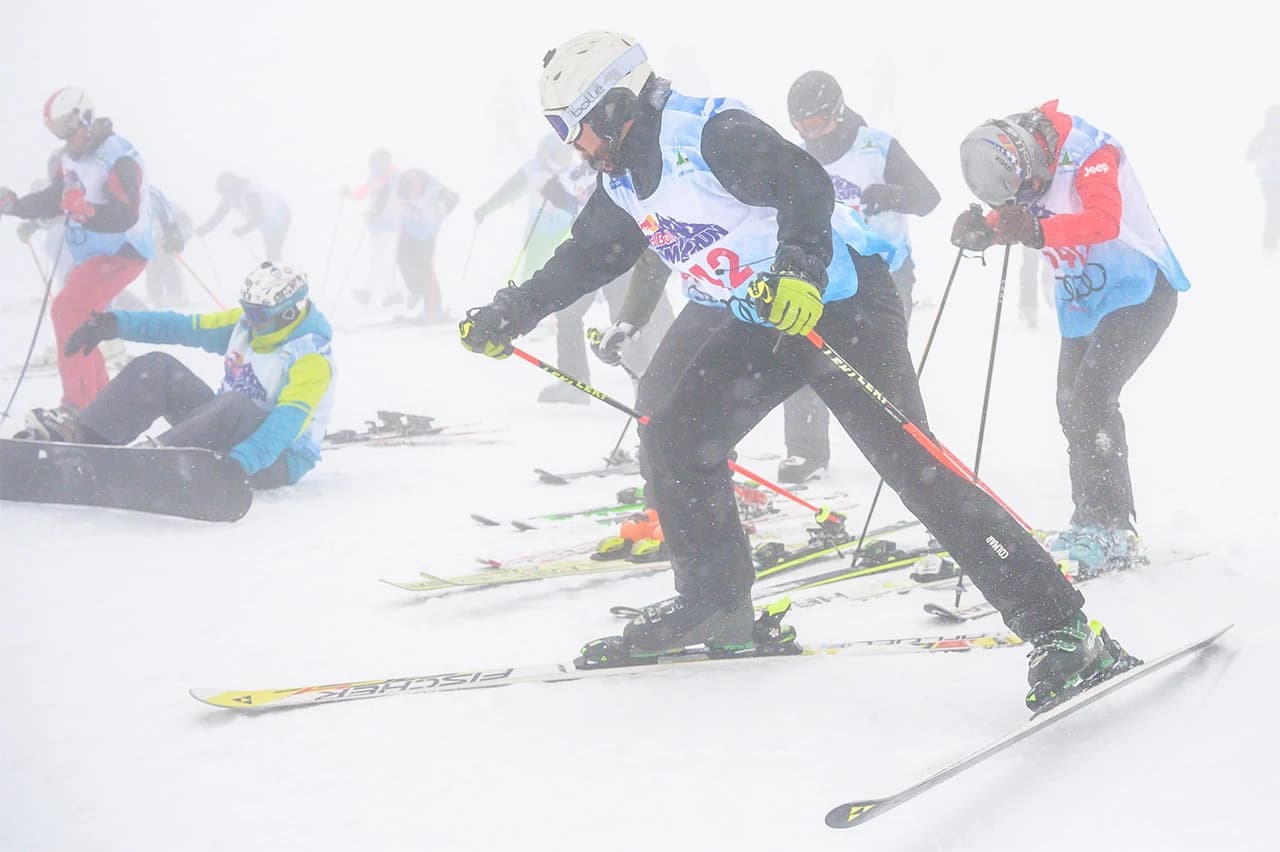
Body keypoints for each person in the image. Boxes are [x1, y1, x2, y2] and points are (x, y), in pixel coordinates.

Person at [460, 31, 1116, 709]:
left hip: (841, 301)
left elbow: (803, 182)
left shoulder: (708, 131)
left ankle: (1065, 628)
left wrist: (800, 268)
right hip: (762, 319)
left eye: (573, 129)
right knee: (677, 435)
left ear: (612, 107)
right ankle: (716, 605)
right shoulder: (624, 178)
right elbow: (588, 256)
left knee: (913, 464)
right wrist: (511, 311)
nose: (574, 146)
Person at [952, 100, 1190, 576]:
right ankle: (1090, 517)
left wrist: (1036, 231)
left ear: (1031, 157)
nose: (1030, 193)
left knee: (1092, 399)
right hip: (1086, 300)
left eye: (1029, 187)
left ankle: (1114, 528)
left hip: (1140, 292)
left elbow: (1105, 220)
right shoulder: (1020, 163)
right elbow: (1019, 214)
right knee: (1070, 403)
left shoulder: (1089, 151)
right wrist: (987, 231)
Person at [21, 262, 336, 489]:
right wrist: (114, 324)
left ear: (288, 314)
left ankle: (153, 462)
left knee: (234, 403)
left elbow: (282, 429)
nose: (249, 321)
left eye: (257, 314)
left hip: (275, 458)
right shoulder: (245, 325)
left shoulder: (309, 359)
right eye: (246, 309)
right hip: (228, 427)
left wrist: (236, 466)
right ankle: (88, 438)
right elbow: (182, 327)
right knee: (158, 368)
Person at [774, 70, 940, 483]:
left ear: (837, 112)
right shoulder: (798, 158)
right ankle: (805, 451)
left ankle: (911, 451)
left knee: (884, 363)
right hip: (827, 273)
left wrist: (893, 194)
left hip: (884, 270)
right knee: (805, 353)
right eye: (801, 126)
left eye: (816, 123)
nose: (810, 133)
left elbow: (929, 197)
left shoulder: (876, 146)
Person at [475, 135, 674, 401]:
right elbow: (582, 206)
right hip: (594, 251)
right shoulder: (578, 170)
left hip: (622, 253)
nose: (576, 153)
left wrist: (564, 198)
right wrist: (558, 196)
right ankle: (574, 383)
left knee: (625, 322)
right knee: (568, 312)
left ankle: (648, 390)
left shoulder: (619, 164)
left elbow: (614, 206)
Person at [0, 87, 154, 410]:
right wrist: (15, 206)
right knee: (82, 320)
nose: (64, 139)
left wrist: (87, 211)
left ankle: (80, 405)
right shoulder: (70, 158)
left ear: (84, 118)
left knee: (67, 311)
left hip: (122, 252)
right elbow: (54, 197)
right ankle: (102, 405)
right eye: (57, 132)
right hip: (94, 256)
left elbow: (126, 215)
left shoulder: (118, 157)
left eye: (66, 129)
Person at [395, 167, 458, 321]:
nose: (411, 198)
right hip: (409, 228)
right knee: (402, 259)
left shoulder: (435, 188)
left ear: (417, 185)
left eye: (412, 195)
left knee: (424, 266)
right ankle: (416, 290)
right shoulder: (403, 182)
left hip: (427, 232)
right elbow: (388, 196)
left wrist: (442, 208)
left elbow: (454, 197)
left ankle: (433, 307)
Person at [343, 149, 401, 307]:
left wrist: (377, 212)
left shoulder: (395, 176)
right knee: (380, 258)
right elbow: (365, 191)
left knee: (379, 257)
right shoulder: (374, 176)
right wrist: (350, 193)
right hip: (376, 224)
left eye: (377, 164)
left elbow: (393, 198)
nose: (375, 168)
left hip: (390, 222)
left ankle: (373, 292)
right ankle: (391, 293)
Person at [195, 172, 290, 262]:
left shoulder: (249, 194)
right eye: (223, 194)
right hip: (268, 219)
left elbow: (258, 217)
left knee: (273, 252)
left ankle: (284, 276)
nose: (224, 196)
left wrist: (243, 230)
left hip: (279, 215)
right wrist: (204, 229)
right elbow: (218, 216)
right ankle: (280, 274)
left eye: (225, 192)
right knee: (272, 253)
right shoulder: (230, 197)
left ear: (231, 188)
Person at [145, 186, 193, 307]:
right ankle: (156, 294)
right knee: (151, 259)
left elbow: (175, 218)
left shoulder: (152, 201)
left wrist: (169, 236)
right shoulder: (141, 202)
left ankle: (176, 295)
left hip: (177, 225)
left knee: (165, 259)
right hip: (163, 229)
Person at [1247, 105, 1280, 251]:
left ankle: (1269, 250)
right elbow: (1250, 155)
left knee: (1273, 213)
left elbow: (1250, 155)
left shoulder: (1263, 135)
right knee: (1273, 212)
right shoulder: (1264, 135)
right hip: (1270, 181)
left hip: (1268, 179)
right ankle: (1269, 250)